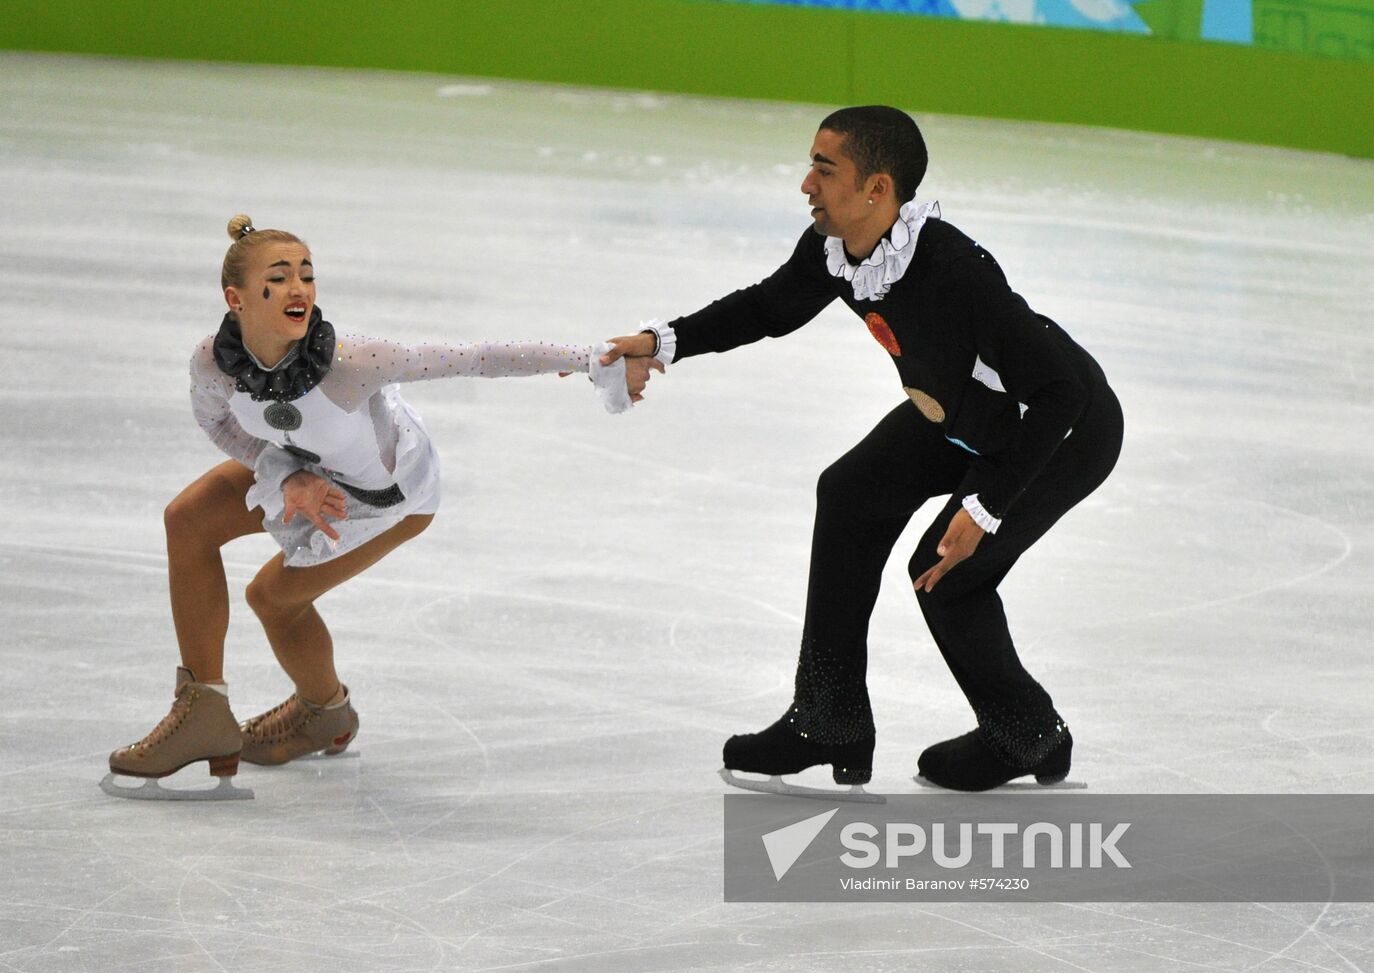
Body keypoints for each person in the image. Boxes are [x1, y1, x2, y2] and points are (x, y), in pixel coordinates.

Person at [604, 106, 1124, 792]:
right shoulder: (837, 247)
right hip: (957, 416)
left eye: (825, 170)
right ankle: (829, 719)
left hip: (1055, 433)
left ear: (878, 189)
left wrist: (988, 508)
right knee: (851, 493)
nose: (806, 186)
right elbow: (768, 308)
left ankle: (1029, 736)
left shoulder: (957, 271)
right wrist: (662, 341)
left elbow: (1060, 394)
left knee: (945, 573)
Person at [102, 215, 650, 800]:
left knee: (273, 600)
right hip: (306, 467)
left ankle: (324, 712)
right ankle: (203, 710)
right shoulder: (215, 362)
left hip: (386, 498)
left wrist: (590, 359)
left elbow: (474, 357)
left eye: (307, 277)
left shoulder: (351, 364)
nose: (300, 290)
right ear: (236, 299)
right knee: (187, 520)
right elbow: (219, 426)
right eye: (281, 277)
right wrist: (288, 476)